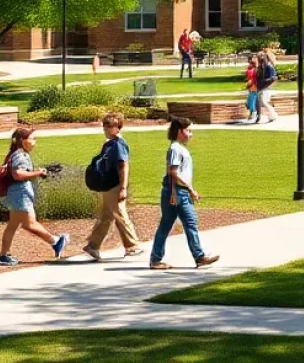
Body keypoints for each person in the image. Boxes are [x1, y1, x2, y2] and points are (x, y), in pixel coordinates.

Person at [149, 117, 219, 270]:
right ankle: (199, 256)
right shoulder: (175, 149)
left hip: (177, 192)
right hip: (178, 193)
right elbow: (173, 173)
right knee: (190, 223)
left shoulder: (179, 148)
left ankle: (155, 259)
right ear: (179, 131)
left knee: (166, 225)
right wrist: (186, 190)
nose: (190, 134)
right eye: (188, 131)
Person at [0, 127, 70, 266]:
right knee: (29, 224)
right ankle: (56, 242)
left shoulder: (16, 153)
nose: (34, 142)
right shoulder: (20, 155)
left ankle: (4, 254)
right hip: (20, 195)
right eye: (32, 139)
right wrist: (37, 173)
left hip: (17, 194)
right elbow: (17, 174)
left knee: (16, 225)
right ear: (22, 141)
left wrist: (40, 172)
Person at [82, 111, 142, 262]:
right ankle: (128, 246)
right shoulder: (109, 144)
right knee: (109, 216)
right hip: (108, 185)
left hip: (114, 185)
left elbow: (124, 166)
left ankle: (129, 246)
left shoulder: (118, 145)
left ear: (118, 127)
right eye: (105, 125)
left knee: (116, 215)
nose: (106, 129)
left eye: (110, 126)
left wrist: (123, 188)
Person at [255, 50, 279, 123]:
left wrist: (264, 81)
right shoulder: (262, 67)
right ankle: (261, 116)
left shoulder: (269, 67)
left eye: (259, 58)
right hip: (261, 87)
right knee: (261, 102)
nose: (258, 59)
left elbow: (273, 77)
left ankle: (273, 115)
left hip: (265, 87)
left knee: (264, 102)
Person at [244, 54, 258, 122]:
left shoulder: (256, 68)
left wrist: (249, 83)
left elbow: (253, 78)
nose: (249, 61)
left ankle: (253, 115)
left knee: (251, 102)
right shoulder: (250, 68)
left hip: (254, 86)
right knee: (249, 102)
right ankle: (251, 114)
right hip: (251, 86)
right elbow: (249, 77)